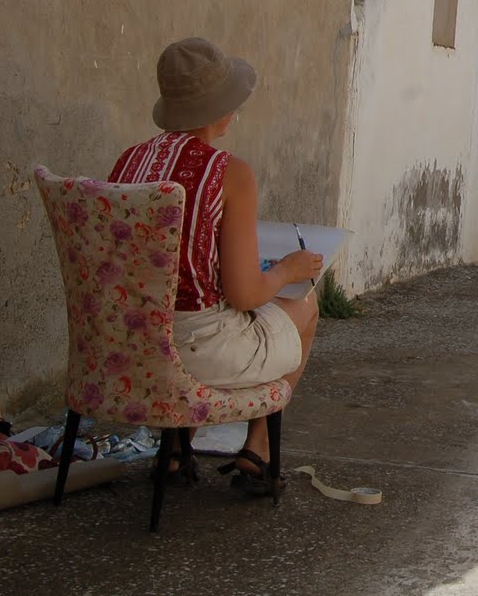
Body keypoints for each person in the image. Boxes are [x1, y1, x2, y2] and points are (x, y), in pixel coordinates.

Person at [109, 36, 323, 494]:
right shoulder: (230, 173)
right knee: (305, 308)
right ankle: (258, 451)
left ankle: (175, 448)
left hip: (131, 346)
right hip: (196, 353)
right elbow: (244, 295)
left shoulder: (129, 162)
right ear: (219, 109)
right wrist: (288, 270)